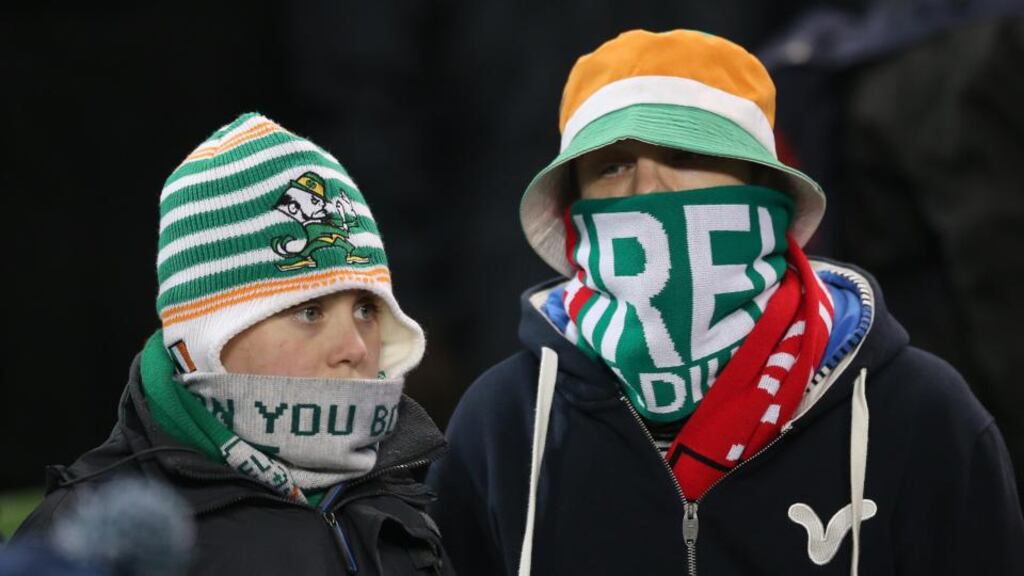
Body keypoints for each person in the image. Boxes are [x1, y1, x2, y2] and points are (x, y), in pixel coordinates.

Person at [426, 29, 1024, 575]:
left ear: (766, 190)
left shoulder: (921, 415)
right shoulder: (505, 423)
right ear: (575, 211)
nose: (648, 188)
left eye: (687, 155)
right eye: (612, 166)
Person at [15, 113, 453, 575]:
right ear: (203, 340)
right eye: (309, 311)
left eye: (366, 309)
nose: (356, 347)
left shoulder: (414, 496)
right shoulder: (83, 544)